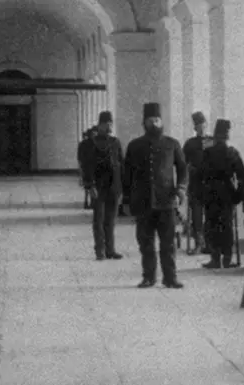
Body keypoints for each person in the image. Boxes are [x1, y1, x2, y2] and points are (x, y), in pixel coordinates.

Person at [123, 102, 188, 288]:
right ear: (144, 123)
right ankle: (148, 277)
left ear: (162, 121)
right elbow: (127, 175)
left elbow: (183, 170)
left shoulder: (172, 144)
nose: (155, 124)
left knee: (168, 244)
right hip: (143, 202)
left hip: (166, 202)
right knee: (146, 243)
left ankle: (170, 278)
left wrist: (180, 190)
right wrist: (126, 200)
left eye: (157, 120)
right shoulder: (135, 146)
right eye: (151, 120)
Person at [199, 118, 244, 270]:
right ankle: (227, 259)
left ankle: (215, 258)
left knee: (212, 224)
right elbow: (242, 177)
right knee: (226, 226)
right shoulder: (232, 153)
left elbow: (200, 174)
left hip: (210, 193)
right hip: (227, 193)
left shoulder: (207, 152)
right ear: (227, 135)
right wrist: (237, 196)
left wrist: (202, 193)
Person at [80, 110, 124, 261]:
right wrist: (89, 185)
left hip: (114, 186)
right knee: (98, 219)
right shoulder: (88, 145)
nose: (110, 126)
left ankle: (110, 249)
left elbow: (121, 164)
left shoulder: (115, 142)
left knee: (110, 220)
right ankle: (100, 250)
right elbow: (85, 166)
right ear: (99, 125)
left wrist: (122, 187)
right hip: (97, 186)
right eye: (107, 124)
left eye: (111, 123)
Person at [182, 112, 213, 254]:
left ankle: (209, 243)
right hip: (195, 184)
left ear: (206, 125)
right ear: (195, 127)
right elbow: (183, 164)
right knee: (196, 214)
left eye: (203, 125)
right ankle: (199, 243)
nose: (201, 128)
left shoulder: (212, 141)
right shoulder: (190, 143)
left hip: (210, 183)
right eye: (198, 125)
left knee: (211, 213)